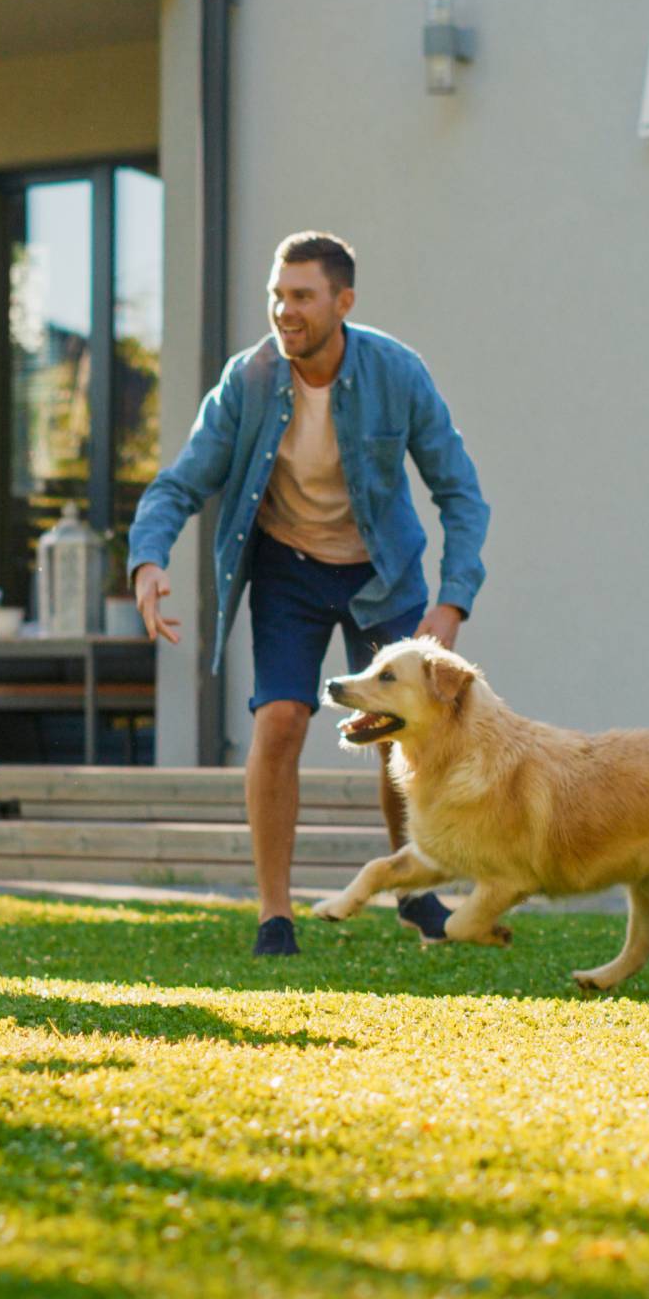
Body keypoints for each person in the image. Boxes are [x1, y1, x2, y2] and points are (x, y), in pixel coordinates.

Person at [127, 232, 489, 956]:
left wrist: (451, 601)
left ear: (342, 302)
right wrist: (147, 559)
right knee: (282, 721)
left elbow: (461, 493)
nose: (283, 311)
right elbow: (181, 482)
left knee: (405, 730)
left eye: (301, 296)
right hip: (289, 567)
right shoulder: (249, 380)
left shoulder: (396, 373)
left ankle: (414, 891)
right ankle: (274, 915)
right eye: (276, 295)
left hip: (381, 569)